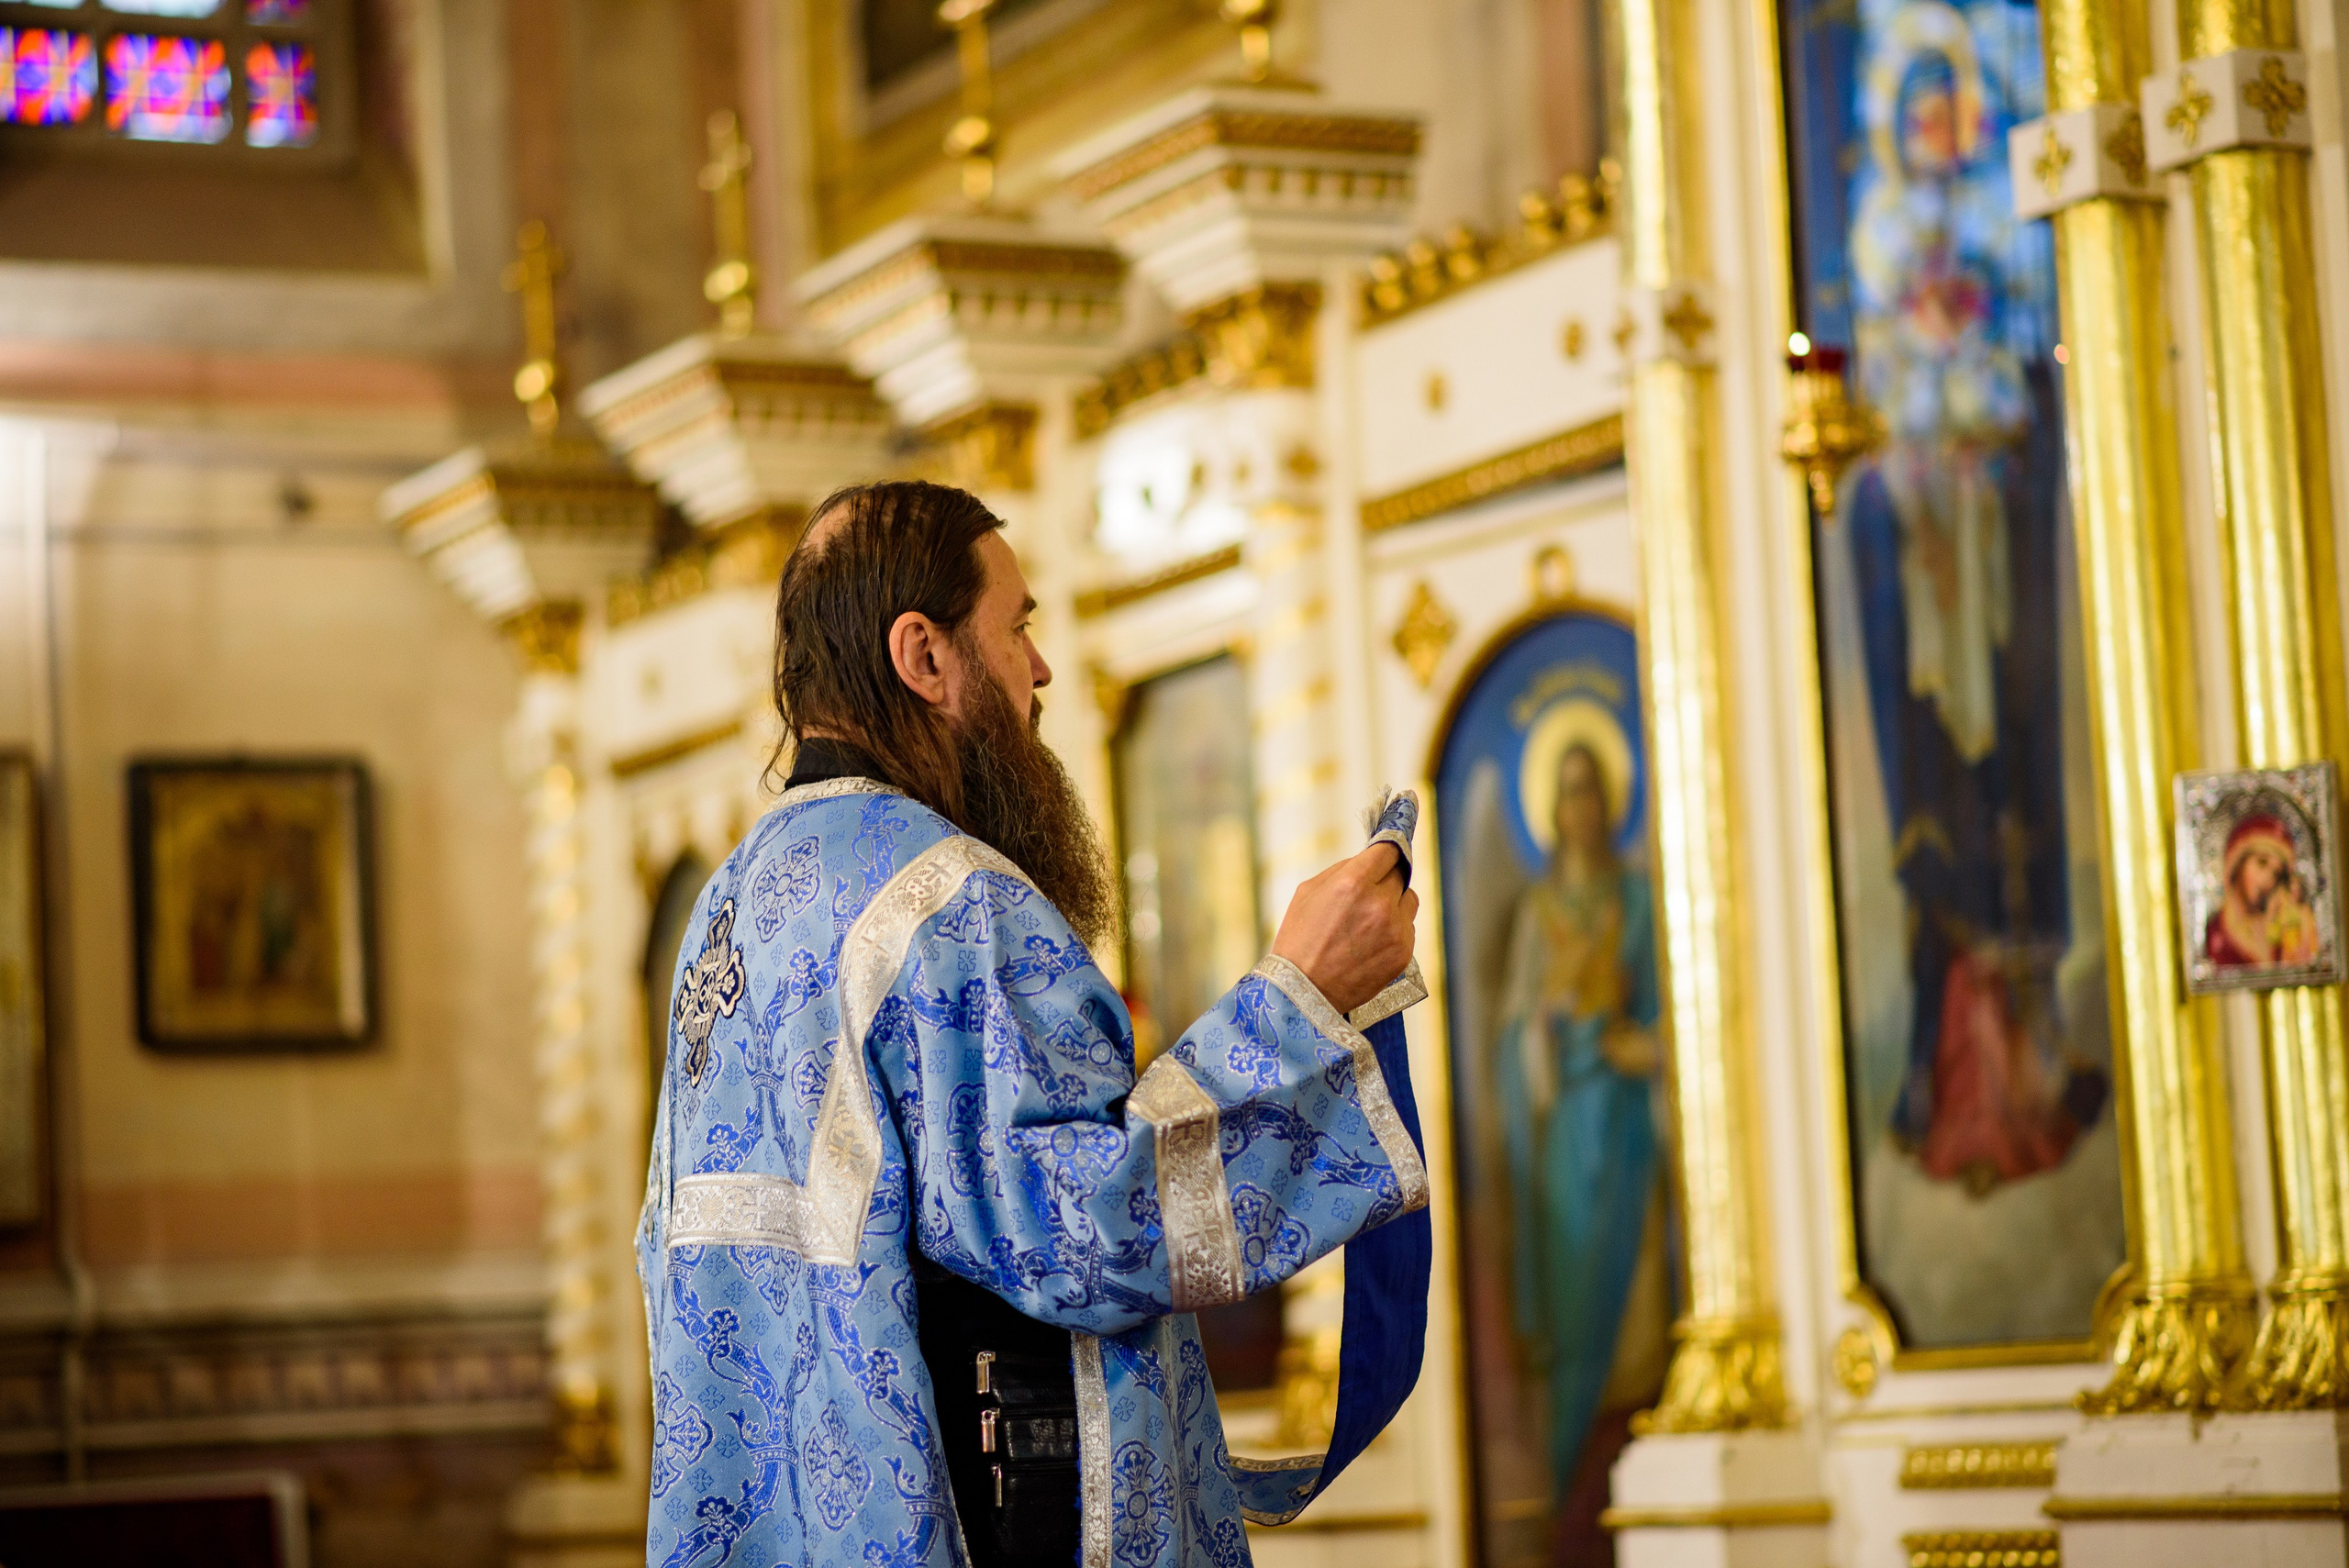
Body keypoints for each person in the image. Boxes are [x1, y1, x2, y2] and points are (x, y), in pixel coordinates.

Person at [636, 480, 1431, 1568]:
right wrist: (1300, 999)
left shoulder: (725, 912)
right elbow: (1090, 1230)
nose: (1040, 669)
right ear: (924, 654)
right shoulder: (948, 903)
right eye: (1015, 628)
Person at [1492, 742, 1668, 1558]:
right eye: (1567, 793)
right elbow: (1514, 1036)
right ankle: (1566, 1509)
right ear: (1553, 811)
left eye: (1591, 788)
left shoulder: (1636, 899)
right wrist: (1547, 1021)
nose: (1581, 807)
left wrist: (1647, 1044)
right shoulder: (1539, 914)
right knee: (1573, 1317)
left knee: (1635, 1313)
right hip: (1566, 1132)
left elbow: (1677, 1009)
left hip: (1628, 1127)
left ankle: (1633, 1498)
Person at [2206, 812, 2319, 969]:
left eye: (2276, 873)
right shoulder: (2215, 933)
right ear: (2237, 863)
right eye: (2262, 863)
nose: (2268, 879)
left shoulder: (2281, 928)